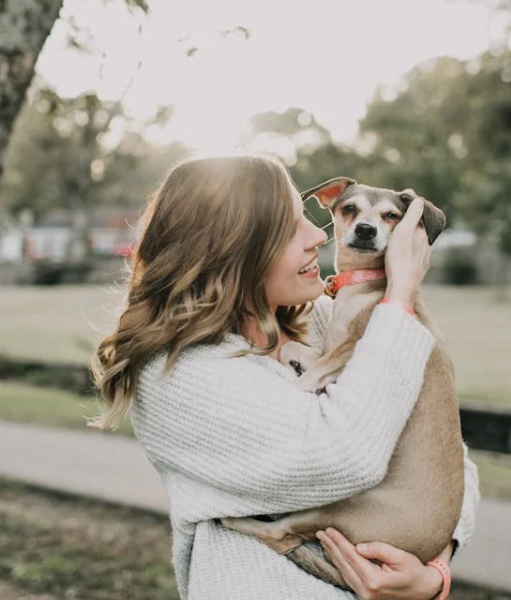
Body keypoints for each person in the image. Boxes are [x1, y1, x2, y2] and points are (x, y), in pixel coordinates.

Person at [90, 155, 480, 600]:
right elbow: (345, 457)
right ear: (233, 249)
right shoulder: (177, 374)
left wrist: (433, 572)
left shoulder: (323, 324)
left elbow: (448, 458)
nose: (318, 235)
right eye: (292, 227)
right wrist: (401, 295)